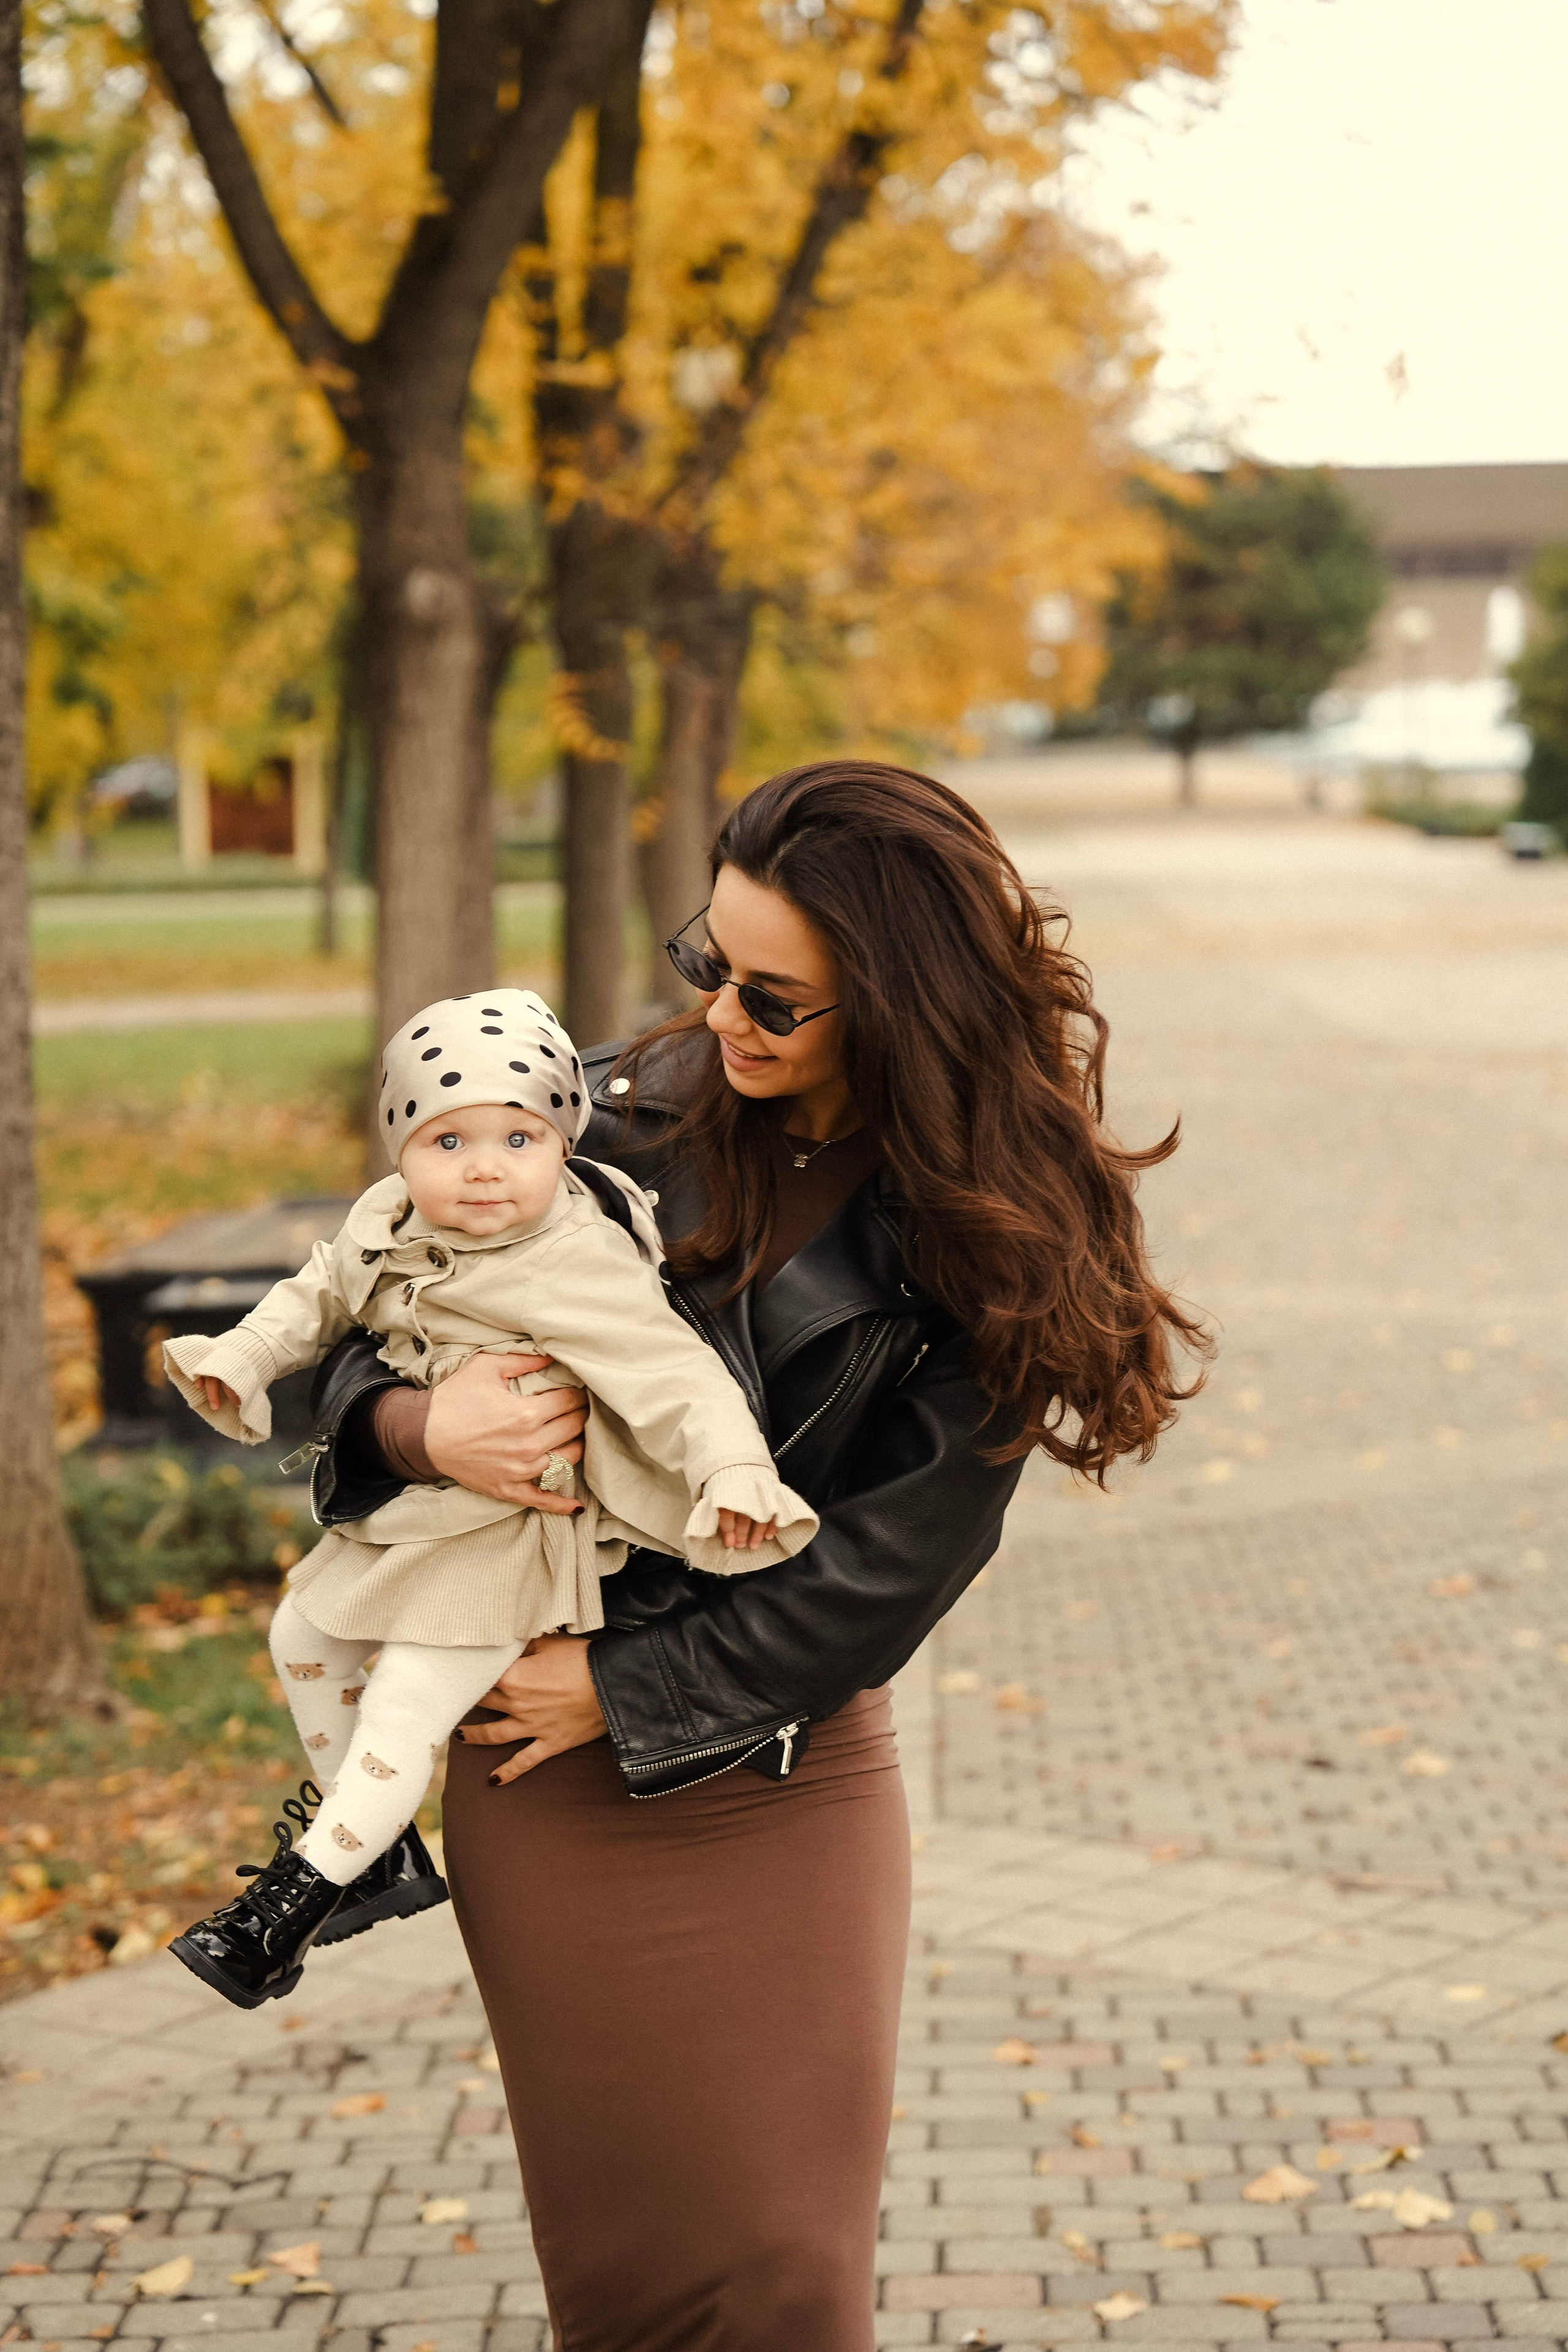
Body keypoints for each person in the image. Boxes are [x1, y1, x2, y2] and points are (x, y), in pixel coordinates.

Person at [311, 762, 1206, 2351]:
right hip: (539, 1779)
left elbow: (895, 1568)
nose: (722, 1016)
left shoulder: (994, 1219)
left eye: (775, 998)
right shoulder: (596, 1120)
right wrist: (422, 1428)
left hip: (781, 1772)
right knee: (634, 2285)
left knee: (791, 2274)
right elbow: (344, 1349)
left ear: (904, 1004)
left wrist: (629, 1685)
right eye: (706, 963)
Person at [157, 986, 816, 2010]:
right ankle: (376, 1859)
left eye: (519, 1135)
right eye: (447, 1139)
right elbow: (322, 1292)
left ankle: (286, 1911)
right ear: (400, 1154)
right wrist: (241, 1359)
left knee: (403, 1709)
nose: (484, 1166)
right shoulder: (392, 1218)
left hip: (514, 1539)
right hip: (425, 1517)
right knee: (301, 1632)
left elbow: (679, 1374)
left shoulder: (574, 1257)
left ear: (562, 1141)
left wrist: (733, 1470)